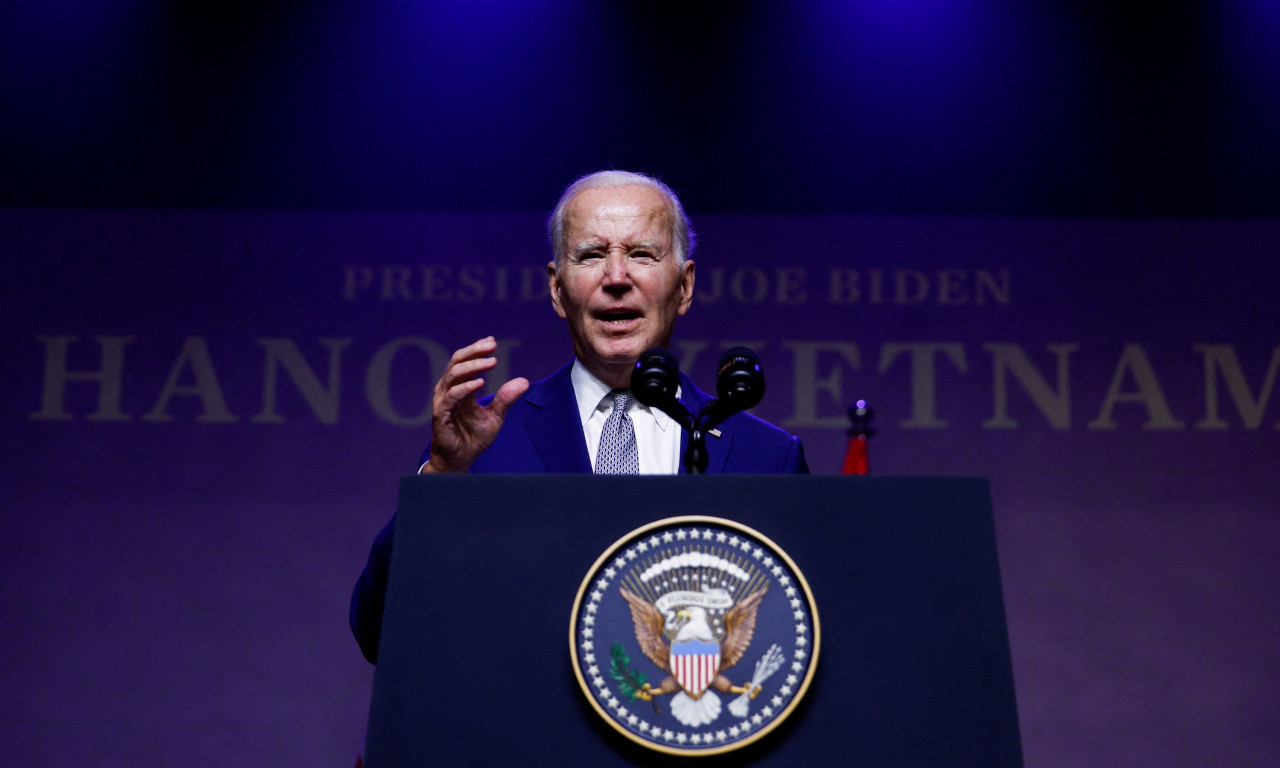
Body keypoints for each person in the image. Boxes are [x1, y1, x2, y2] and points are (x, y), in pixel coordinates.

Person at [350, 170, 808, 663]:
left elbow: (803, 638)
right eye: (591, 255)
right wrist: (439, 482)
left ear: (685, 285)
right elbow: (380, 633)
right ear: (556, 288)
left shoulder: (767, 457)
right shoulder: (485, 444)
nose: (615, 278)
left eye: (641, 255)